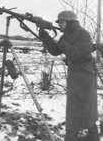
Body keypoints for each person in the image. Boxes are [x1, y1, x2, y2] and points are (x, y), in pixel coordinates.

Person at [39, 11, 99, 141]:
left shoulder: (83, 35)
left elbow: (74, 54)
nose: (59, 25)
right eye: (59, 22)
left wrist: (63, 41)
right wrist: (46, 38)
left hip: (85, 76)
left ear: (70, 22)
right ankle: (91, 136)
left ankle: (74, 137)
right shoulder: (66, 36)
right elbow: (55, 51)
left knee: (83, 108)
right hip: (75, 75)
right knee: (78, 108)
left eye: (61, 22)